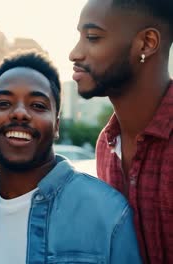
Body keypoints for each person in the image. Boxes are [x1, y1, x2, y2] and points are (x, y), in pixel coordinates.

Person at [0, 51, 141, 264]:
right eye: (3, 103)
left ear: (56, 125)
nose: (20, 113)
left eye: (38, 105)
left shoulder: (109, 214)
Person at [69, 0, 172, 262]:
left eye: (92, 37)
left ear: (146, 43)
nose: (74, 53)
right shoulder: (106, 143)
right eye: (79, 36)